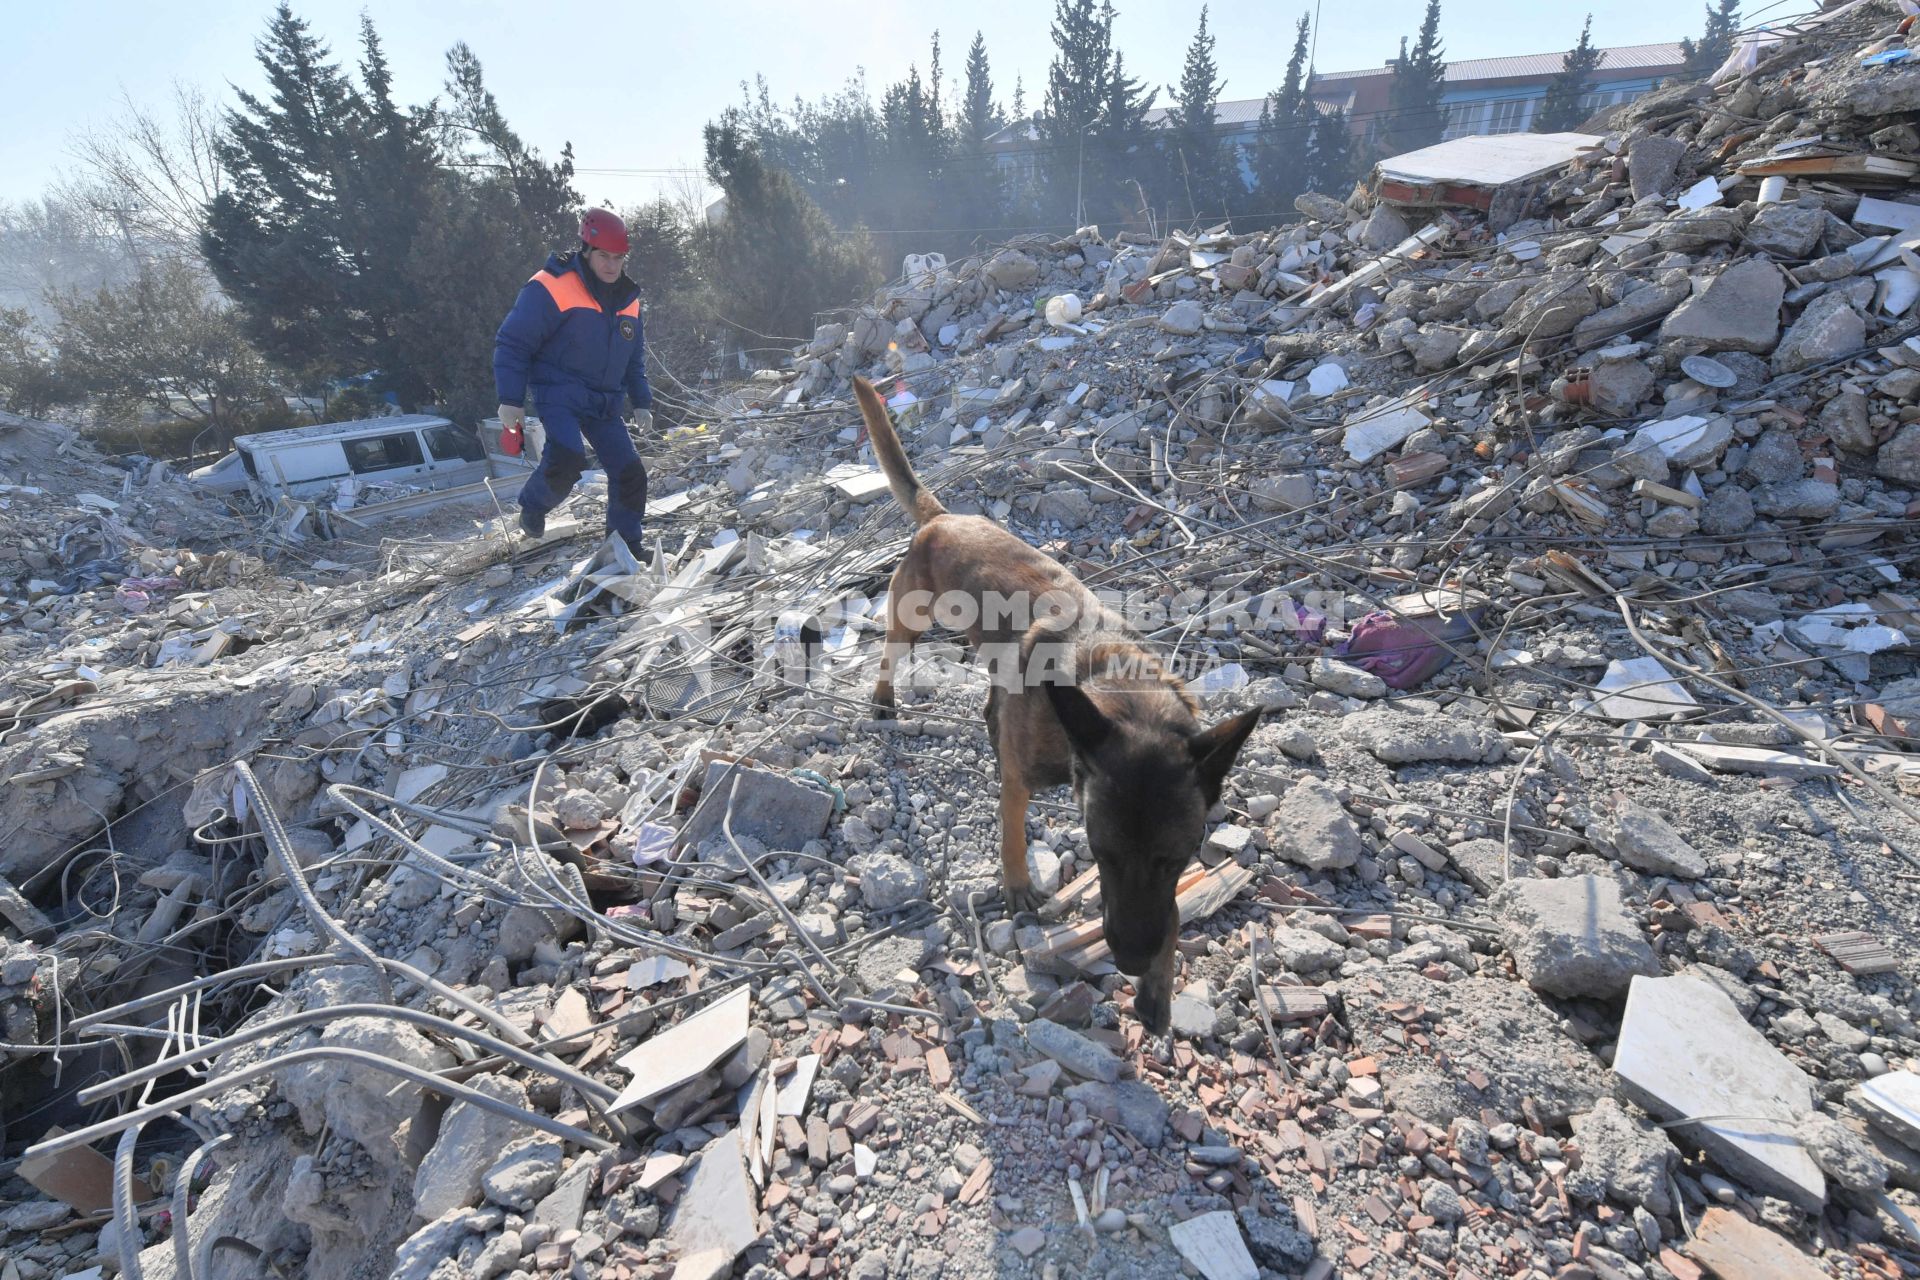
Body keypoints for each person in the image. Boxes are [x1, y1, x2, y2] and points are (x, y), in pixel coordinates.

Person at [493, 208, 653, 552]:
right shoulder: (550, 286)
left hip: (604, 402)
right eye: (603, 256)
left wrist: (642, 402)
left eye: (619, 258)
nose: (612, 266)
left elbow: (633, 360)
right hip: (559, 392)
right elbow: (513, 342)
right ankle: (533, 505)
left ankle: (624, 546)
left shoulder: (631, 303)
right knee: (567, 456)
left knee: (630, 473)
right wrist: (510, 399)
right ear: (586, 250)